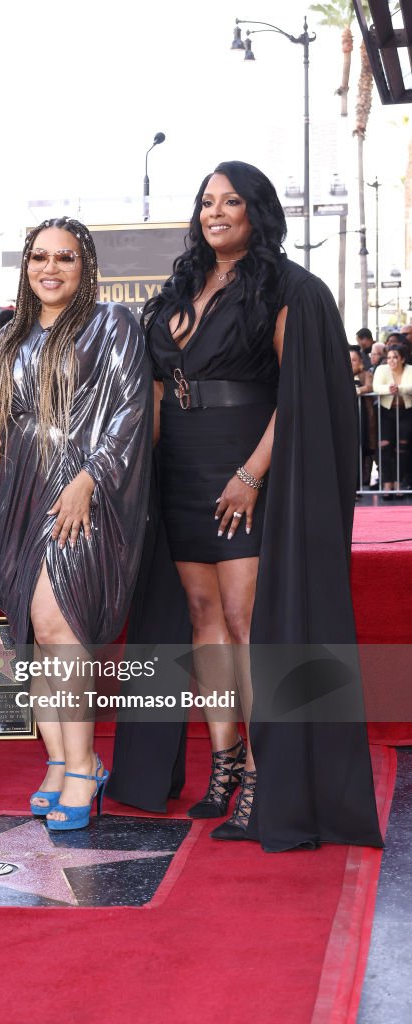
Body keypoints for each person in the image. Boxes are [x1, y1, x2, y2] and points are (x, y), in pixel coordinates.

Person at [110, 161, 382, 853]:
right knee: (202, 621)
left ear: (257, 211)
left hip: (246, 468)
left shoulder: (289, 288)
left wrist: (251, 476)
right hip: (180, 469)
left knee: (245, 625)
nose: (216, 211)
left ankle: (264, 775)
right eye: (206, 201)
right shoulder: (179, 285)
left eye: (231, 201)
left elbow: (298, 396)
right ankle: (224, 760)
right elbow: (154, 391)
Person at [0, 216, 151, 831]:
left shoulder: (113, 326)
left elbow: (130, 412)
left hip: (79, 489)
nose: (50, 269)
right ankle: (59, 760)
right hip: (15, 494)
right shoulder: (9, 333)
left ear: (86, 266)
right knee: (37, 630)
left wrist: (90, 479)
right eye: (39, 258)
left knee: (60, 623)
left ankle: (82, 764)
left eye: (66, 258)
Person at [372, 342, 412, 495]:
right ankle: (387, 484)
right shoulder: (382, 369)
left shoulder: (410, 370)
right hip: (386, 412)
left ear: (402, 359)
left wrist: (399, 389)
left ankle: (398, 484)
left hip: (406, 412)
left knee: (402, 448)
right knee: (385, 447)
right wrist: (389, 389)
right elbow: (376, 386)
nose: (391, 360)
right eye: (389, 357)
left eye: (395, 357)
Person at [350, 346, 376, 491]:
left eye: (354, 360)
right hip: (347, 419)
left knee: (364, 447)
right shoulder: (341, 375)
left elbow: (370, 386)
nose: (351, 362)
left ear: (360, 361)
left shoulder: (367, 374)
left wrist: (358, 390)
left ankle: (361, 483)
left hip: (365, 417)